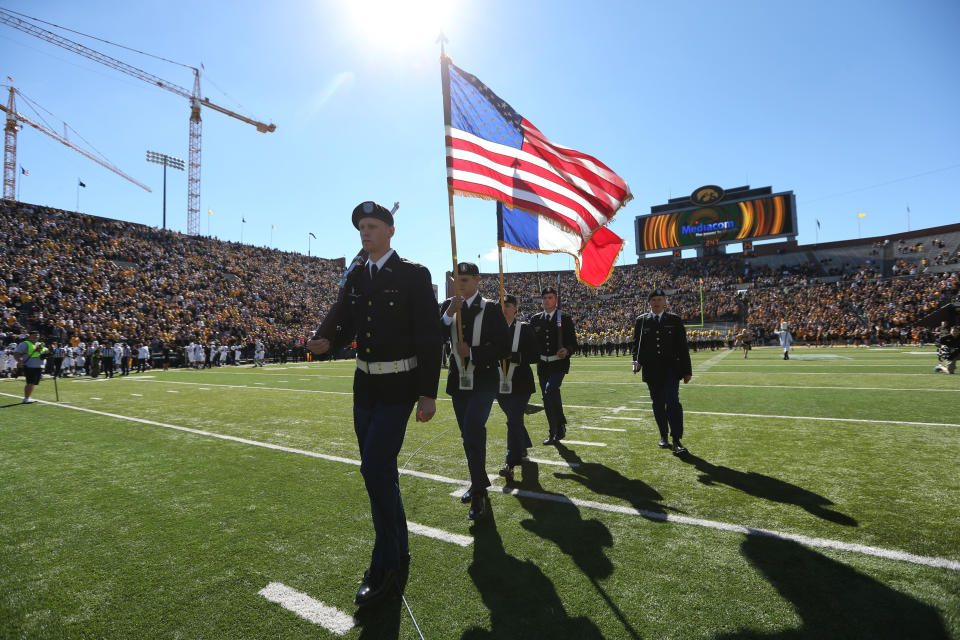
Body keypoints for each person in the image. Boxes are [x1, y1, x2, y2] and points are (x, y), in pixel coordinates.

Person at [306, 201, 441, 609]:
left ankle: (383, 566)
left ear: (390, 230)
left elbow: (429, 337)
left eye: (372, 226)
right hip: (364, 386)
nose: (364, 233)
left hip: (400, 386)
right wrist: (328, 344)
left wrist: (428, 392)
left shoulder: (414, 275)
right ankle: (398, 550)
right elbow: (347, 323)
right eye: (361, 227)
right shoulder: (358, 275)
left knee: (375, 469)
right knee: (380, 474)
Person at [440, 263, 509, 520]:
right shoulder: (448, 306)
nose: (460, 283)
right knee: (468, 435)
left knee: (472, 429)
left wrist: (475, 353)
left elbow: (503, 346)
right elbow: (434, 336)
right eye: (457, 279)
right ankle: (477, 482)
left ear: (478, 280)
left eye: (466, 279)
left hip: (483, 381)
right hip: (458, 381)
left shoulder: (490, 308)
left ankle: (478, 490)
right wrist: (448, 314)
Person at [632, 288, 693, 454]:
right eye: (653, 300)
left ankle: (677, 439)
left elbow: (682, 347)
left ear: (665, 302)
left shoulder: (674, 320)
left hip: (671, 369)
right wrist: (635, 361)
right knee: (658, 404)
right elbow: (636, 345)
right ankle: (663, 436)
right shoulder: (641, 320)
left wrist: (687, 370)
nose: (656, 303)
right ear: (649, 303)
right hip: (651, 370)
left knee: (673, 402)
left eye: (660, 299)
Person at [495, 293, 539, 482]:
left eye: (508, 305)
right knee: (514, 420)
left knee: (513, 420)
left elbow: (535, 355)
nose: (504, 308)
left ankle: (510, 463)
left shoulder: (525, 329)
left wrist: (515, 357)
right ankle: (522, 444)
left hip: (520, 384)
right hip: (500, 384)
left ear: (515, 308)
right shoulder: (493, 330)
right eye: (501, 305)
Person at [530, 286, 577, 444]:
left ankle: (560, 423)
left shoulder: (564, 318)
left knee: (550, 391)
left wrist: (567, 349)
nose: (547, 300)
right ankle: (553, 431)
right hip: (543, 364)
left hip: (559, 364)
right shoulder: (535, 319)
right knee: (546, 398)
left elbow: (573, 343)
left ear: (556, 299)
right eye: (545, 298)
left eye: (550, 297)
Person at [13, 329, 47, 404]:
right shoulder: (24, 344)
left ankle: (28, 397)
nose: (36, 337)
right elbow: (16, 353)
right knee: (30, 382)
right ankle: (26, 398)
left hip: (38, 366)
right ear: (29, 336)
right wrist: (20, 361)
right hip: (29, 365)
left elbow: (44, 353)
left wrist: (48, 353)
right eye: (34, 335)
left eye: (37, 335)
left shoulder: (40, 344)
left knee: (33, 383)